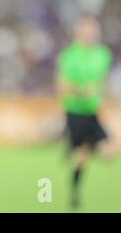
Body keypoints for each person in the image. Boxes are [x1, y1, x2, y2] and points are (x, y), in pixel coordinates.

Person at [56, 14, 116, 210]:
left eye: (92, 29)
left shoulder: (103, 54)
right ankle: (74, 194)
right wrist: (83, 91)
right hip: (75, 111)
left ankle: (77, 147)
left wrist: (106, 92)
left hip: (94, 111)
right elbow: (62, 86)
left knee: (109, 153)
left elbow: (105, 82)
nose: (89, 33)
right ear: (78, 32)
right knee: (81, 160)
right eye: (86, 29)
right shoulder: (69, 55)